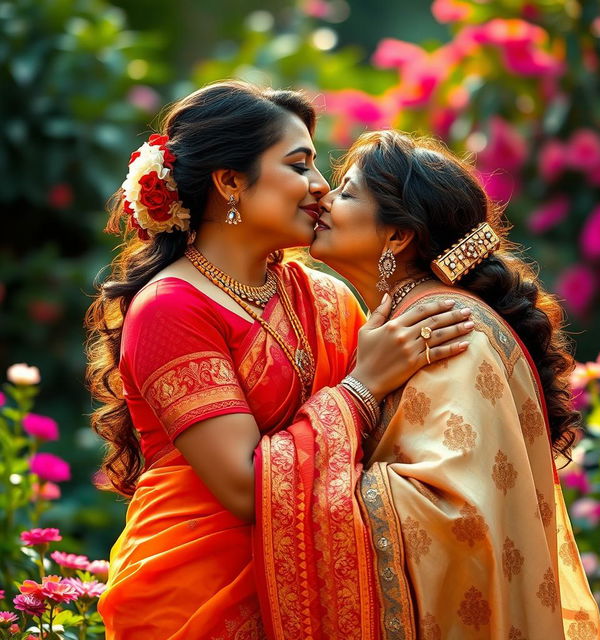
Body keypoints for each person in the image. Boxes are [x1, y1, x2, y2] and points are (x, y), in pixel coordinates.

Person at [85, 82, 474, 639]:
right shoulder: (170, 310)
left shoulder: (326, 297)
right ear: (230, 182)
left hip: (320, 591)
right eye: (300, 165)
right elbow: (245, 488)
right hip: (196, 601)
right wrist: (362, 386)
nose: (321, 187)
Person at [281, 129, 600, 639]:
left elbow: (458, 519)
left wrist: (290, 475)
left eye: (347, 191)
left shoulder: (446, 332)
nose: (322, 198)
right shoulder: (405, 326)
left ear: (397, 236)